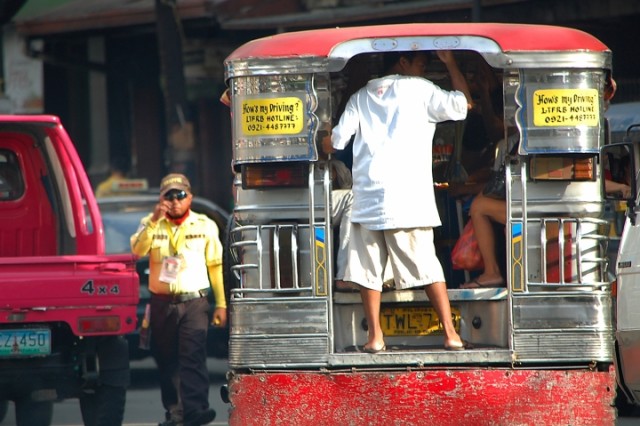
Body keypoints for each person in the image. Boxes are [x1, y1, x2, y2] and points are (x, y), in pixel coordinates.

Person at [323, 50, 472, 352]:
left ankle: (375, 337)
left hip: (368, 198)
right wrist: (451, 63)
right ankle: (450, 334)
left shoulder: (360, 97)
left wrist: (319, 130)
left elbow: (335, 143)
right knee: (428, 266)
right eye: (421, 63)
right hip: (408, 198)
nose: (424, 70)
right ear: (403, 63)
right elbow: (463, 104)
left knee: (367, 271)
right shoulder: (420, 89)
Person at [130, 173, 227, 426]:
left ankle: (196, 410)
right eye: (169, 196)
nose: (175, 201)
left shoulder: (205, 225)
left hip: (195, 302)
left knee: (193, 354)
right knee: (167, 358)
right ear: (161, 199)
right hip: (162, 302)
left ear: (190, 197)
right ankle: (175, 412)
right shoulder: (149, 223)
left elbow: (215, 266)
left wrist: (221, 304)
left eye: (180, 195)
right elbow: (136, 250)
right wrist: (153, 220)